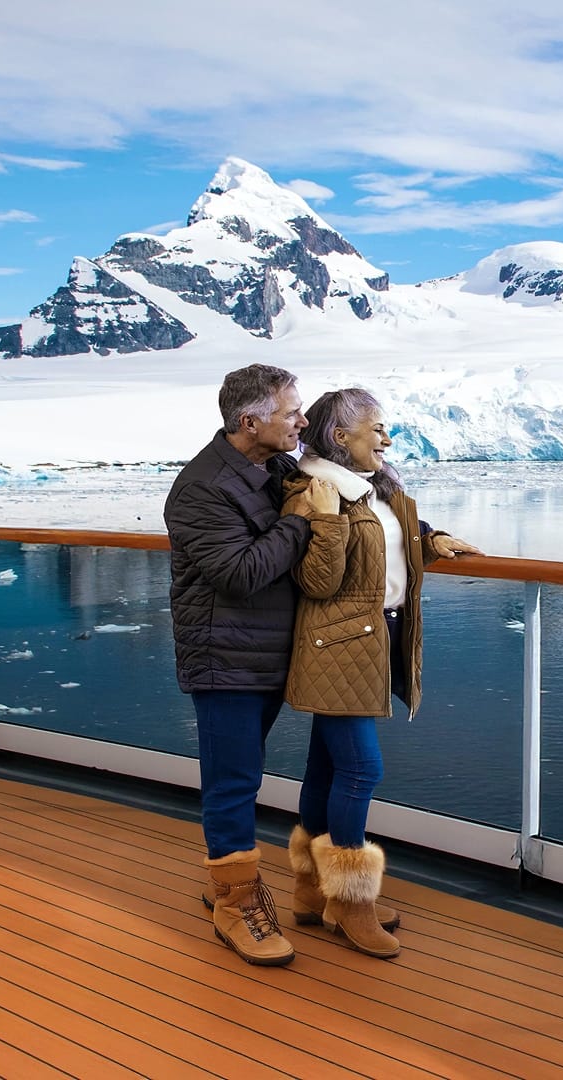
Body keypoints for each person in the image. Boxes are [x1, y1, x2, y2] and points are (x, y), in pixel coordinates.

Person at [283, 387, 482, 959]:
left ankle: (309, 886)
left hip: (374, 636)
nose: (388, 439)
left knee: (327, 766)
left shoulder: (374, 487)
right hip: (337, 643)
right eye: (377, 429)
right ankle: (348, 901)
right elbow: (319, 582)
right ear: (341, 437)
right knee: (361, 770)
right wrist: (326, 521)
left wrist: (430, 540)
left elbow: (388, 542)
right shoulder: (314, 492)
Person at [164, 363, 314, 966]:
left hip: (267, 650)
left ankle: (238, 890)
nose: (302, 421)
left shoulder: (275, 466)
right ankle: (234, 907)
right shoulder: (202, 487)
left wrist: (424, 534)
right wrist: (300, 520)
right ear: (249, 422)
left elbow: (354, 501)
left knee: (242, 774)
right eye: (290, 412)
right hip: (224, 655)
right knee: (234, 782)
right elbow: (240, 573)